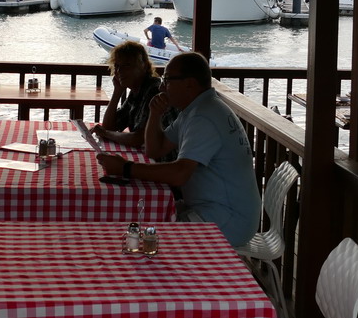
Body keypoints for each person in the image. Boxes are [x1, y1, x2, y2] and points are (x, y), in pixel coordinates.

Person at [96, 52, 260, 247]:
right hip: (212, 209)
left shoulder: (203, 118)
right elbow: (154, 150)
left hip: (226, 220)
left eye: (167, 80)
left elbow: (179, 174)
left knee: (147, 240)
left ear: (189, 84)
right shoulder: (194, 110)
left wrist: (125, 168)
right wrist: (155, 115)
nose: (162, 86)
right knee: (139, 223)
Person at [89, 41, 162, 148]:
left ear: (145, 66)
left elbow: (138, 139)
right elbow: (109, 127)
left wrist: (105, 133)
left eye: (127, 65)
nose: (119, 71)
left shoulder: (153, 90)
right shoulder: (136, 92)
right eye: (117, 66)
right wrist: (117, 92)